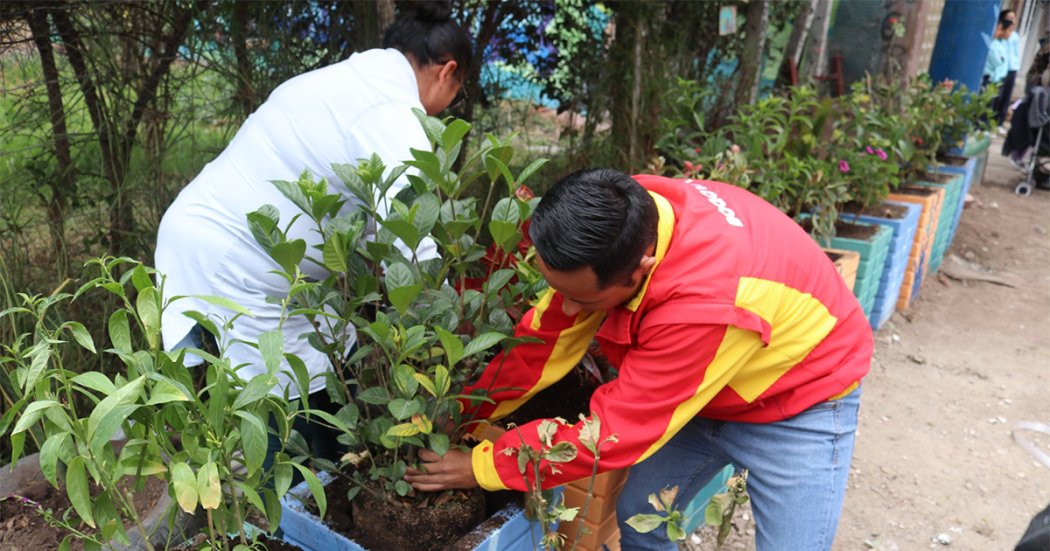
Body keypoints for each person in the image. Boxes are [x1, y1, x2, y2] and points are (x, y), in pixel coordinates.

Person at [406, 169, 873, 550]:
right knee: (640, 518)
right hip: (704, 382)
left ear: (642, 268)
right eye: (559, 290)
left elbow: (610, 434)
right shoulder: (622, 214)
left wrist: (483, 467)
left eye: (582, 300)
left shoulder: (702, 307)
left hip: (800, 398)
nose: (566, 309)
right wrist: (466, 415)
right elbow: (543, 342)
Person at [155, 1, 470, 468]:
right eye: (457, 97)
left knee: (248, 408)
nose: (448, 110)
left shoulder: (345, 80)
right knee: (277, 424)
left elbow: (364, 222)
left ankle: (251, 505)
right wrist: (454, 333)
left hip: (201, 240)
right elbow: (411, 240)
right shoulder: (392, 111)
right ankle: (267, 523)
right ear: (448, 72)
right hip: (245, 270)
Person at [995, 10, 1021, 132]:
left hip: (1012, 69)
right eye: (1009, 18)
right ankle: (992, 122)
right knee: (997, 97)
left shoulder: (1015, 35)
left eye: (1013, 18)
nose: (1012, 21)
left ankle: (999, 123)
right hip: (1001, 71)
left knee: (1006, 98)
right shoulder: (1001, 35)